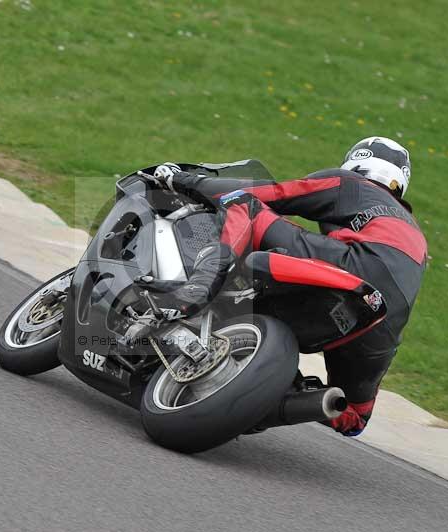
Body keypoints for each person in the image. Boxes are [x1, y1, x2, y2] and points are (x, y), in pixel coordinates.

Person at [147, 137, 426, 436]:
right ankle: (284, 396)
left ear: (355, 164)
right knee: (352, 417)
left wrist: (182, 180)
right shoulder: (416, 235)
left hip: (356, 268)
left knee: (244, 204)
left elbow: (273, 193)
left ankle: (200, 287)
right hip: (382, 324)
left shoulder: (350, 184)